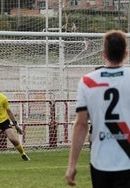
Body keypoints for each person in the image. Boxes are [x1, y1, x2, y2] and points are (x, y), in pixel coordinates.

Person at [65, 30, 130, 187]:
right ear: (126, 53)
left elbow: (81, 125)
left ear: (103, 53)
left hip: (100, 162)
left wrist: (72, 164)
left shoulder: (87, 81)